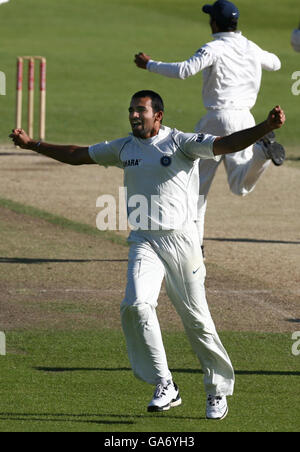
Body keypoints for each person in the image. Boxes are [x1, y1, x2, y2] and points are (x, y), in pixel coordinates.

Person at [10, 90, 285, 420]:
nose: (134, 116)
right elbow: (77, 154)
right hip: (144, 241)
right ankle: (164, 383)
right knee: (136, 305)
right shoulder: (124, 148)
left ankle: (216, 390)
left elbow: (226, 144)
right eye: (131, 110)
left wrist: (263, 127)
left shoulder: (181, 142)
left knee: (197, 323)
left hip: (182, 242)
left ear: (159, 115)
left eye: (141, 110)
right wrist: (33, 145)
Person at [134, 0, 285, 255]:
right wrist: (252, 59)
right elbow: (276, 63)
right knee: (239, 186)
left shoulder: (213, 48)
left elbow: (184, 70)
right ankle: (262, 154)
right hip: (246, 121)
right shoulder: (250, 47)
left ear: (214, 22)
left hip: (216, 119)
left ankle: (196, 245)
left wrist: (149, 64)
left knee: (195, 187)